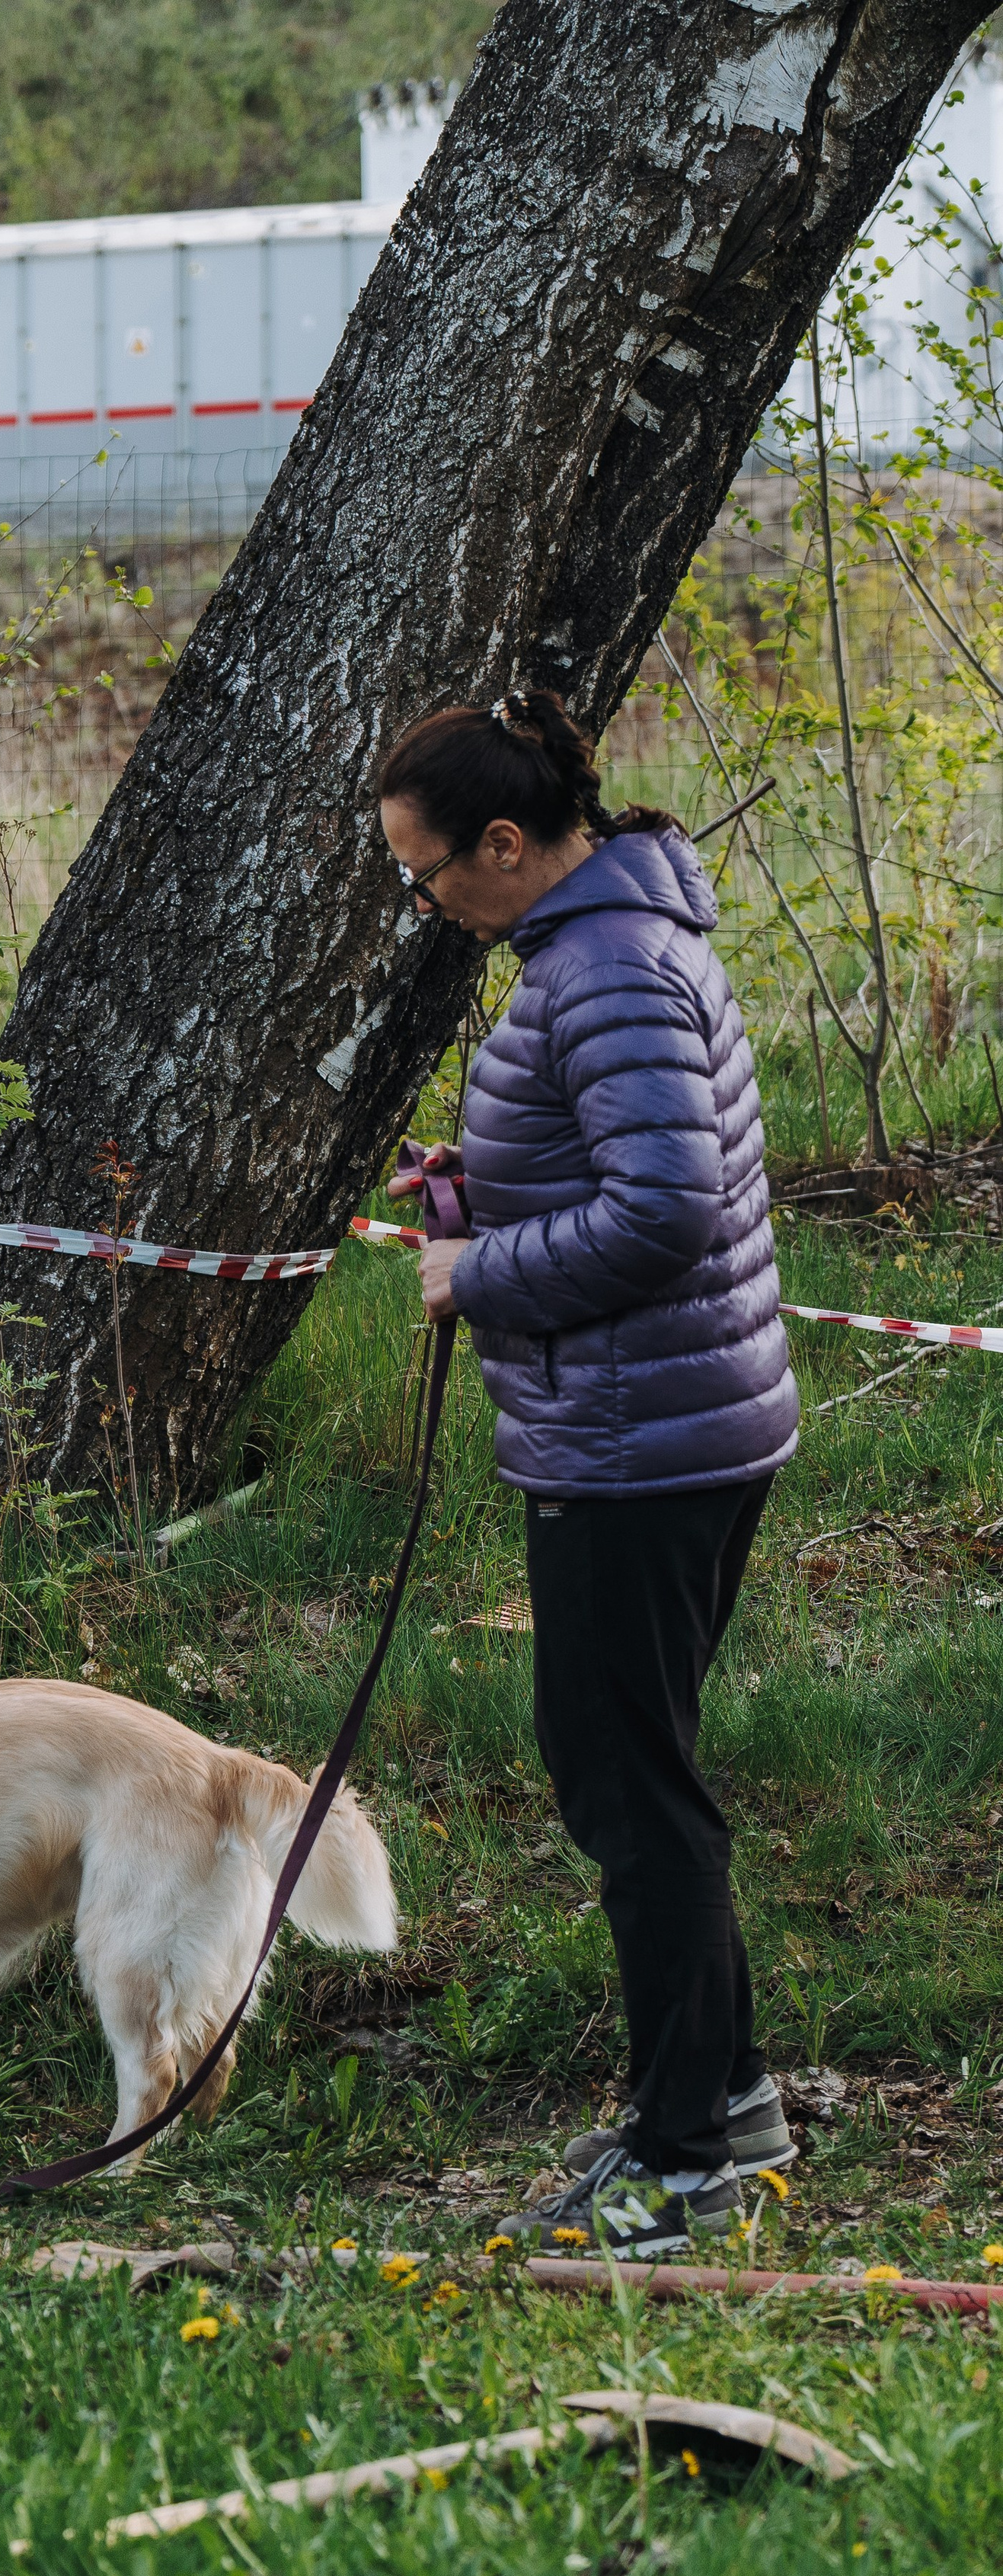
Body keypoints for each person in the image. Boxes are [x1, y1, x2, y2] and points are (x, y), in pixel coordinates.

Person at [375, 687, 799, 2258]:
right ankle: (709, 2098)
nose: (426, 906)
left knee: (632, 1790)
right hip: (656, 1419)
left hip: (639, 1441)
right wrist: (478, 1177)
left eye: (428, 874)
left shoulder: (603, 963)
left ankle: (698, 2145)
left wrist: (474, 1269)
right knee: (634, 1774)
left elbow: (663, 1211)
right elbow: (621, 1159)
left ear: (504, 841)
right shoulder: (599, 946)